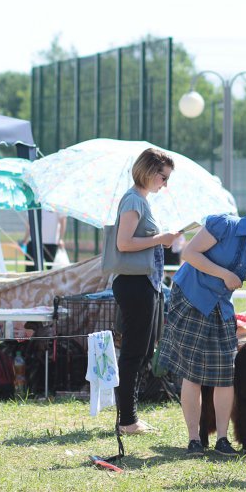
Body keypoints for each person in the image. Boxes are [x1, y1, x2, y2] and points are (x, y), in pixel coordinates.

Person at [158, 187, 246, 457]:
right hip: (190, 296)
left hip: (220, 306)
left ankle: (222, 440)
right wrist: (224, 273)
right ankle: (194, 440)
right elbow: (189, 254)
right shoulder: (223, 225)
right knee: (193, 373)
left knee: (225, 374)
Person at [105, 148, 181, 434]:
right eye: (163, 176)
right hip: (134, 283)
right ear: (149, 171)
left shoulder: (140, 200)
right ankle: (127, 420)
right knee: (134, 352)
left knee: (143, 350)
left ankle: (129, 416)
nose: (165, 183)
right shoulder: (134, 200)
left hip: (143, 282)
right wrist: (161, 239)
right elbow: (123, 243)